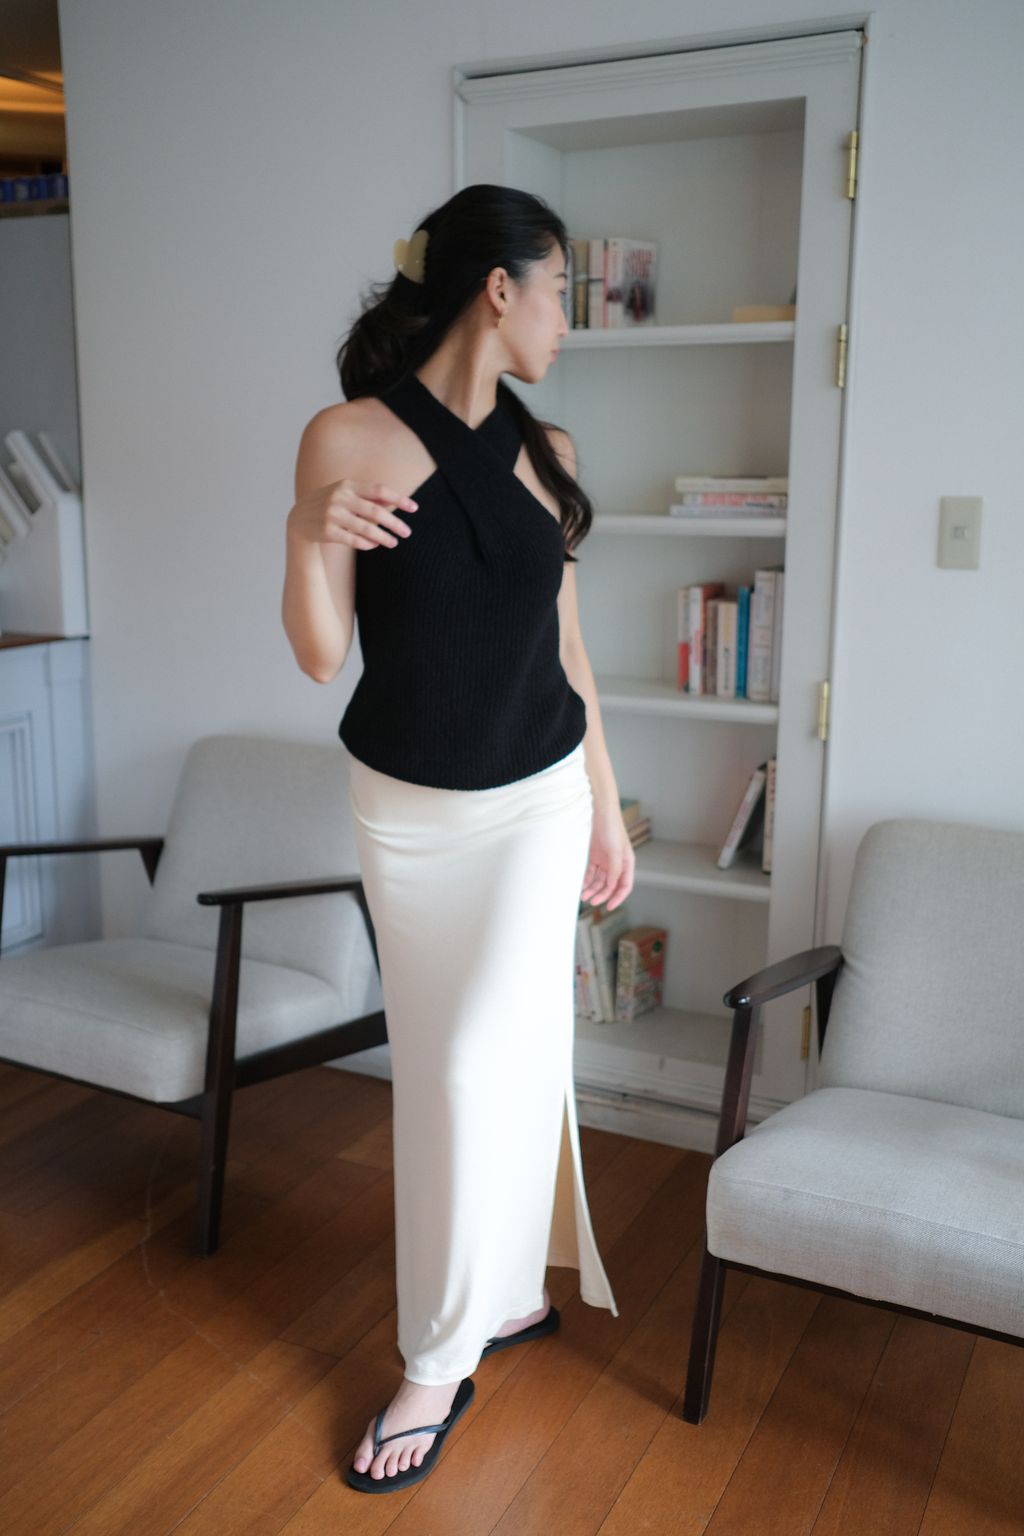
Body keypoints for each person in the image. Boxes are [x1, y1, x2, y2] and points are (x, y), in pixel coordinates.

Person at [282, 183, 635, 1493]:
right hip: (408, 814)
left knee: (483, 1058)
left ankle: (437, 1356)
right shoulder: (345, 438)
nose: (566, 322)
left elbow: (569, 652)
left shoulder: (553, 451)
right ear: (502, 288)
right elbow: (321, 655)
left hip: (538, 798)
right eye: (561, 293)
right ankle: (504, 1293)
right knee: (452, 1064)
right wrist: (303, 533)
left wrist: (606, 803)